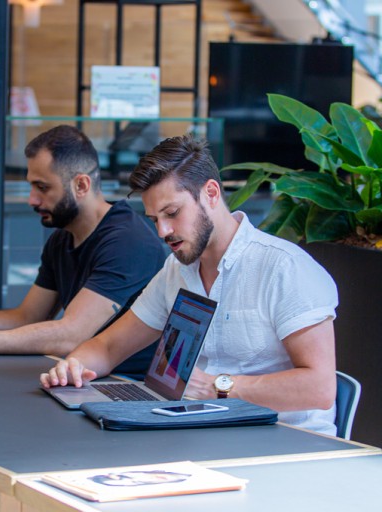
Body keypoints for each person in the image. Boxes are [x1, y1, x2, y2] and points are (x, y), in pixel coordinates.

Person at [41, 134, 339, 435]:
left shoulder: (284, 268)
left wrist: (216, 386)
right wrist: (75, 366)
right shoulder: (177, 269)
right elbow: (108, 347)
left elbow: (320, 388)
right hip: (203, 433)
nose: (163, 231)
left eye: (172, 213)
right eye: (154, 219)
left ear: (210, 193)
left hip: (287, 444)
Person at [0, 125, 168, 376]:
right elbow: (27, 317)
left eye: (42, 187)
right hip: (79, 376)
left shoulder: (128, 243)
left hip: (125, 386)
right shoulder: (62, 239)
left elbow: (71, 335)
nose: (32, 200)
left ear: (81, 185)